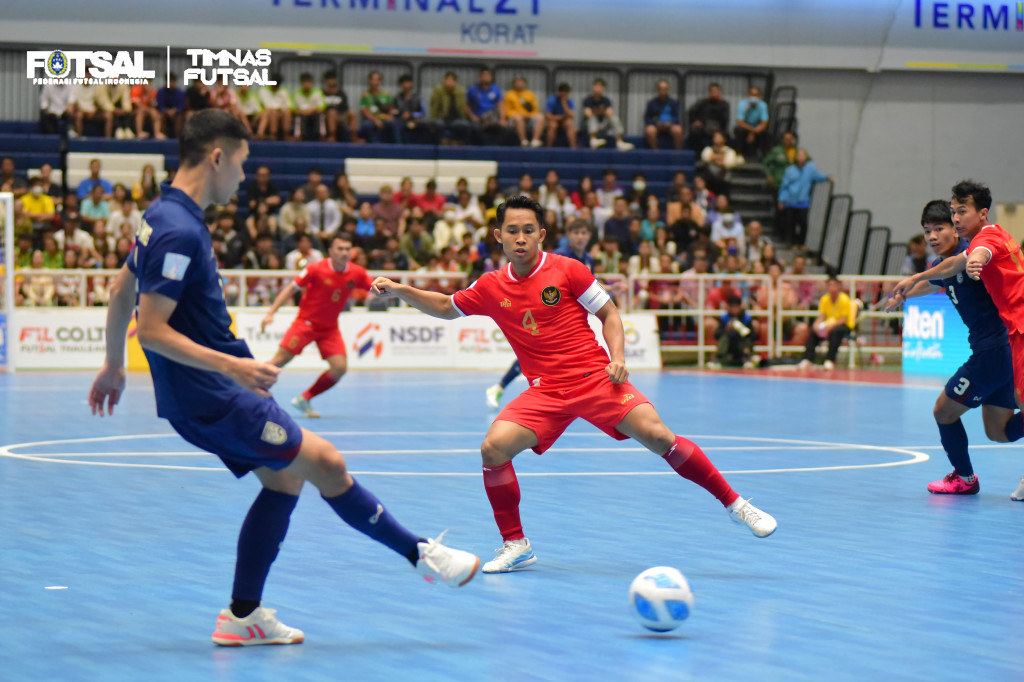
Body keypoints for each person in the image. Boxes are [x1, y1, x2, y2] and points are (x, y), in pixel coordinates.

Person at [86, 110, 480, 647]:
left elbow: (119, 292)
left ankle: (242, 616)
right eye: (243, 164)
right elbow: (150, 329)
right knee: (326, 463)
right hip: (216, 393)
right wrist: (236, 366)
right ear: (217, 157)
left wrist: (112, 365)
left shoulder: (160, 214)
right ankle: (421, 555)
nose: (244, 177)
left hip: (202, 394)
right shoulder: (179, 229)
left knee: (285, 478)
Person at [371, 195, 777, 574]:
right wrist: (400, 289)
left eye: (529, 230)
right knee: (492, 448)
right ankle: (516, 545)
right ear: (498, 236)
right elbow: (445, 307)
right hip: (545, 391)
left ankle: (736, 505)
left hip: (594, 378)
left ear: (541, 234)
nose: (520, 238)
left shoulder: (568, 269)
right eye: (512, 230)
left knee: (657, 435)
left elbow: (610, 315)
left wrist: (617, 357)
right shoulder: (492, 286)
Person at [892, 180, 1024, 500]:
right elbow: (939, 277)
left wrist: (916, 277)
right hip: (999, 353)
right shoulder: (946, 264)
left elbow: (970, 258)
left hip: (994, 351)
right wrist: (906, 291)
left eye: (942, 226)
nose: (934, 235)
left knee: (943, 411)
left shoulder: (972, 249)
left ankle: (964, 479)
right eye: (928, 231)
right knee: (998, 431)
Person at [485, 218, 596, 409]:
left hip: (566, 317)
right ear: (568, 235)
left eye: (584, 233)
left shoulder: (588, 259)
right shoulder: (560, 257)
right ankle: (501, 387)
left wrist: (609, 289)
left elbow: (582, 286)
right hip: (542, 312)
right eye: (576, 233)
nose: (580, 237)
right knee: (535, 355)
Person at [261, 233, 369, 418]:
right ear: (331, 252)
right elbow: (290, 288)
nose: (344, 253)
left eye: (347, 249)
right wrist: (271, 313)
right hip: (305, 324)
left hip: (329, 329)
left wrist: (401, 292)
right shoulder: (315, 269)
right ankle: (244, 391)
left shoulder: (357, 273)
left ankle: (304, 398)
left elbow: (373, 287)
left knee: (339, 368)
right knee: (278, 362)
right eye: (340, 249)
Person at [797, 275, 855, 370]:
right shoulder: (824, 299)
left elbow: (843, 319)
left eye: (834, 285)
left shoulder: (844, 299)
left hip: (844, 326)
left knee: (835, 331)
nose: (832, 288)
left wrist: (831, 326)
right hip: (829, 325)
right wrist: (816, 325)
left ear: (838, 287)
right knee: (813, 330)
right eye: (830, 285)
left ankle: (830, 360)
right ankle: (808, 359)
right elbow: (822, 316)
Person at [708, 295, 757, 369]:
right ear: (728, 307)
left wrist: (742, 329)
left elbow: (753, 336)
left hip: (741, 345)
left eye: (736, 306)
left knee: (746, 340)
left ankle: (747, 359)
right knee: (723, 338)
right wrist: (727, 329)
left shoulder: (746, 318)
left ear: (740, 306)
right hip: (729, 345)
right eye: (732, 306)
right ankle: (717, 359)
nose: (734, 309)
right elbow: (717, 335)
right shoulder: (724, 318)